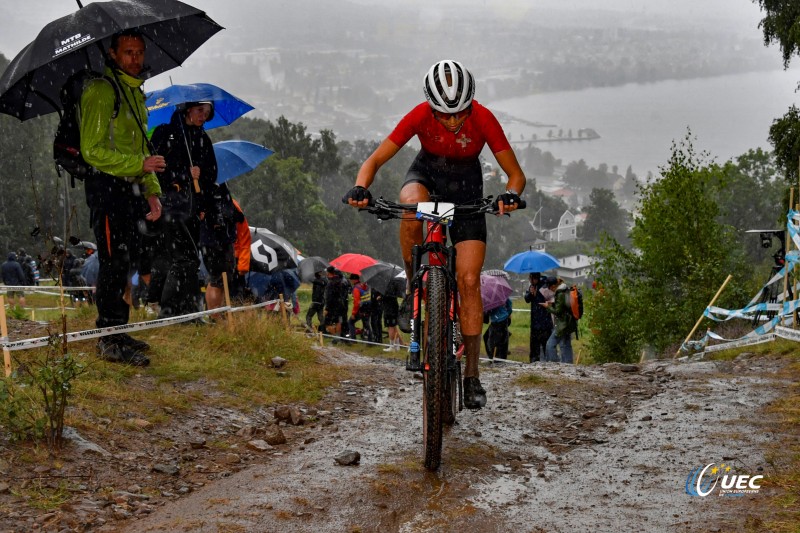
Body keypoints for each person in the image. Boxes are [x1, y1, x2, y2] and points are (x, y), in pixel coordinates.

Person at [344, 59, 526, 409]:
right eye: (445, 115)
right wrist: (360, 187)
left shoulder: (484, 118)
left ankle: (472, 375)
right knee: (409, 205)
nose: (455, 121)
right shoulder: (418, 115)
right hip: (427, 177)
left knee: (470, 280)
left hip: (468, 190)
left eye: (461, 113)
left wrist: (511, 195)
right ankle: (415, 285)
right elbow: (374, 160)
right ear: (430, 106)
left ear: (471, 103)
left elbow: (515, 175)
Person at [79, 29, 164, 366]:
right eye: (128, 52)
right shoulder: (101, 91)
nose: (135, 59)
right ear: (112, 54)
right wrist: (137, 165)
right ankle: (107, 337)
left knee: (125, 261)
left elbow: (141, 146)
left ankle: (119, 329)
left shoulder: (135, 93)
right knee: (113, 263)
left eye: (139, 52)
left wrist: (152, 191)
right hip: (106, 189)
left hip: (130, 190)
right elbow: (91, 150)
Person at [150, 102, 217, 318]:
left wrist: (200, 179)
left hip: (193, 208)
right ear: (188, 109)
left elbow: (211, 174)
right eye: (200, 111)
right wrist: (182, 174)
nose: (203, 117)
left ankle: (188, 312)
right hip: (170, 206)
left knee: (190, 259)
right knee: (184, 258)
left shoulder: (203, 139)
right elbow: (154, 169)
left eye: (207, 114)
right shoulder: (165, 133)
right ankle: (170, 312)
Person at [542, 277, 577, 364]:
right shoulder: (565, 289)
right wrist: (553, 304)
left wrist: (548, 307)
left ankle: (554, 364)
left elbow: (558, 312)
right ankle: (568, 364)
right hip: (569, 323)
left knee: (550, 344)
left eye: (549, 287)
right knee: (566, 345)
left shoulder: (560, 293)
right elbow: (564, 306)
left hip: (563, 324)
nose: (549, 289)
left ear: (553, 286)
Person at [524, 272, 553, 363]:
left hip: (545, 321)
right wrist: (531, 294)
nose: (529, 280)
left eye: (530, 278)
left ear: (535, 278)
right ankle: (534, 360)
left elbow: (550, 300)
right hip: (535, 321)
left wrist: (539, 294)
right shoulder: (532, 286)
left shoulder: (545, 286)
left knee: (546, 344)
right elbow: (527, 299)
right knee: (534, 344)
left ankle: (548, 361)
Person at [323, 266, 347, 342]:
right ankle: (338, 337)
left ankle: (335, 338)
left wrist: (327, 308)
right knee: (338, 321)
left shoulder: (331, 283)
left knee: (327, 323)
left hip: (332, 306)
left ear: (329, 273)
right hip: (341, 304)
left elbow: (329, 297)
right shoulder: (341, 280)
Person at [347, 273, 372, 341]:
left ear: (354, 280)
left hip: (361, 309)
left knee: (350, 322)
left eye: (351, 280)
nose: (350, 281)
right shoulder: (365, 286)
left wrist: (353, 313)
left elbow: (356, 303)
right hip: (368, 308)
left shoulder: (356, 288)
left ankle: (353, 339)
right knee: (366, 324)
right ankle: (369, 339)